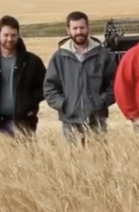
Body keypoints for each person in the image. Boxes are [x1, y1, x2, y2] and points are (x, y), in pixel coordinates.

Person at [44, 11, 119, 143]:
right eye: (75, 28)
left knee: (100, 159)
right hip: (70, 122)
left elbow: (114, 83)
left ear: (88, 28)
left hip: (97, 121)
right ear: (68, 30)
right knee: (74, 161)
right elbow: (50, 88)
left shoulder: (102, 54)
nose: (79, 31)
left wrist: (101, 102)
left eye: (82, 27)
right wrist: (64, 104)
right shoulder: (59, 57)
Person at [0, 15, 47, 137]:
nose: (9, 39)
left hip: (25, 122)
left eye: (13, 35)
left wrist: (29, 102)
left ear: (18, 35)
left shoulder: (31, 62)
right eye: (6, 35)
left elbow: (44, 86)